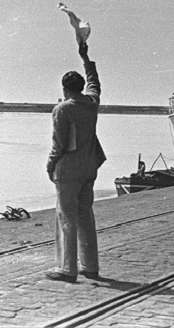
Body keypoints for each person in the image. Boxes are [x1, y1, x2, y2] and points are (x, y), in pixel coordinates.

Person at [46, 40, 106, 283]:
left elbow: (58, 144)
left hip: (68, 170)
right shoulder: (91, 103)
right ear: (80, 87)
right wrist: (85, 58)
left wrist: (50, 165)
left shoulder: (62, 109)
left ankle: (67, 268)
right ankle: (90, 266)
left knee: (66, 217)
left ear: (64, 89)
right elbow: (95, 83)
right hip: (89, 167)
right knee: (85, 216)